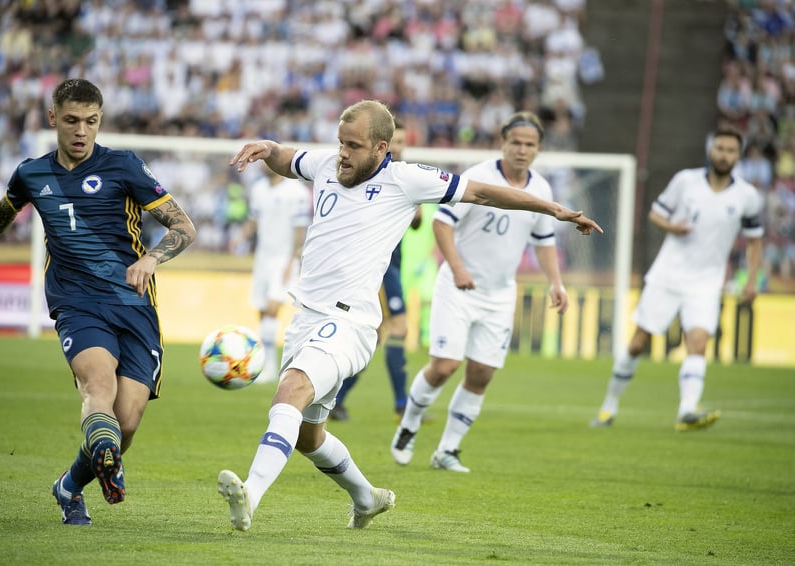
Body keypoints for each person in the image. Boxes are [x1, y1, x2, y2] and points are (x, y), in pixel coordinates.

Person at [217, 99, 601, 532]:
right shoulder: (327, 164)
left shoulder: (407, 180)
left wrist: (551, 209)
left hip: (349, 323)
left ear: (382, 147)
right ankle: (367, 499)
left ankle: (250, 493)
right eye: (341, 142)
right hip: (305, 317)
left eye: (354, 146)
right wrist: (268, 147)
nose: (343, 153)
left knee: (289, 391)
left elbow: (481, 191)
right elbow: (289, 160)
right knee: (308, 436)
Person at [0, 78, 196, 525]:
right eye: (71, 121)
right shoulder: (32, 173)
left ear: (100, 121)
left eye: (91, 121)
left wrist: (153, 259)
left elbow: (183, 225)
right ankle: (98, 461)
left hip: (134, 305)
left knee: (124, 424)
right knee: (96, 389)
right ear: (53, 119)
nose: (81, 131)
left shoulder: (123, 166)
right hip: (76, 302)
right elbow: (2, 211)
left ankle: (68, 485)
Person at [389, 112, 569, 473]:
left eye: (529, 144)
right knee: (444, 367)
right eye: (515, 142)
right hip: (457, 287)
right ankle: (408, 423)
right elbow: (442, 223)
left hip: (499, 294)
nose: (521, 150)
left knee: (481, 375)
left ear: (538, 149)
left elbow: (543, 241)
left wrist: (555, 281)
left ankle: (447, 450)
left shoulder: (542, 190)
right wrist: (456, 268)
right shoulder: (477, 177)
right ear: (503, 142)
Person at [590, 126, 763, 431]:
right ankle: (608, 406)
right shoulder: (686, 181)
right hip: (668, 275)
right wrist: (673, 227)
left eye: (730, 150)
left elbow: (754, 240)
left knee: (698, 341)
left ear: (738, 155)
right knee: (637, 343)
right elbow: (656, 214)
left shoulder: (747, 196)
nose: (724, 155)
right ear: (711, 150)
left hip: (707, 282)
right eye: (720, 148)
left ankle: (686, 411)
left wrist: (751, 280)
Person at [330, 119, 423, 421]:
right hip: (379, 270)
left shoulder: (405, 178)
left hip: (393, 265)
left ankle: (338, 400)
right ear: (382, 143)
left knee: (380, 336)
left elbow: (418, 223)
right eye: (394, 142)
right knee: (395, 329)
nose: (398, 147)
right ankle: (401, 406)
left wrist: (413, 203)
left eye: (402, 143)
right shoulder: (370, 177)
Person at [229, 163, 311, 384]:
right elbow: (254, 220)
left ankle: (271, 367)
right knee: (263, 311)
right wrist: (240, 238)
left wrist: (293, 259)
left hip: (284, 259)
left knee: (273, 309)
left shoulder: (297, 191)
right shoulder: (259, 189)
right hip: (263, 258)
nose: (265, 165)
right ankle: (264, 364)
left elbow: (300, 229)